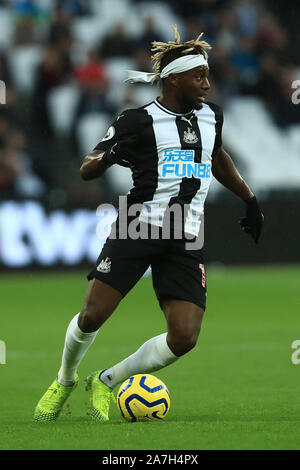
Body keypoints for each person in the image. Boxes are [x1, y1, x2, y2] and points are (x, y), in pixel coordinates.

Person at [34, 25, 264, 423]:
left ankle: (105, 380)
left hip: (186, 233)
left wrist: (249, 198)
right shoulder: (136, 120)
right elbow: (88, 167)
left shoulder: (212, 117)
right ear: (174, 80)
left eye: (208, 76)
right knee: (92, 315)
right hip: (139, 225)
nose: (208, 84)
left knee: (184, 337)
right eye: (200, 76)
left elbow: (217, 156)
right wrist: (110, 155)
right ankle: (65, 380)